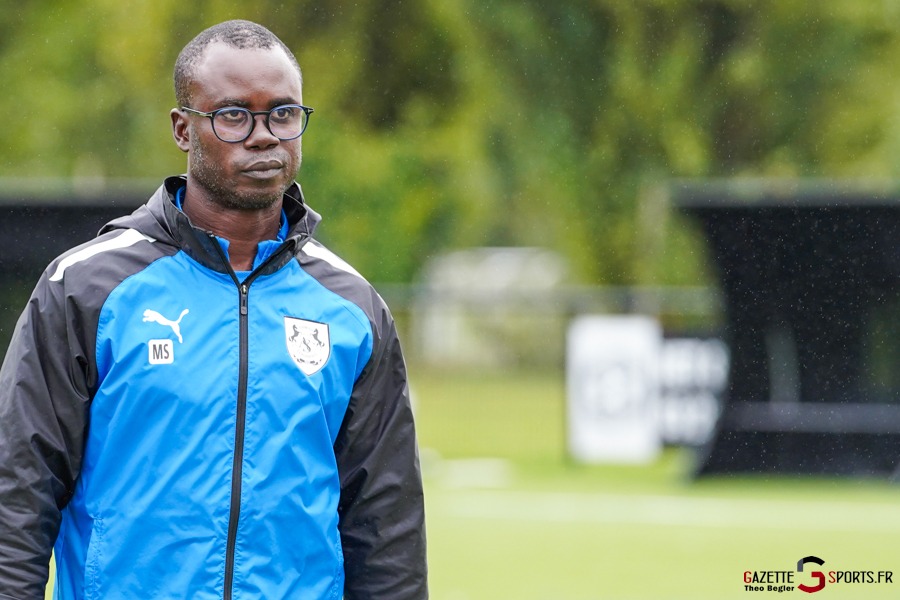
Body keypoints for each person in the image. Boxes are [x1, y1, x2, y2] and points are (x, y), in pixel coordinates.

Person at [0, 20, 427, 599]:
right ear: (183, 128)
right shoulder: (85, 287)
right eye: (233, 115)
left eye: (282, 113)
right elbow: (18, 493)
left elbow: (386, 526)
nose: (264, 136)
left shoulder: (351, 307)